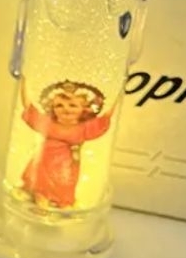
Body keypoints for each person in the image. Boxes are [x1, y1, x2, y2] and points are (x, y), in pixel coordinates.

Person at [20, 78, 115, 208]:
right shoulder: (49, 124)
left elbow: (106, 117)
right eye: (59, 105)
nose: (66, 109)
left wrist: (117, 96)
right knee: (41, 186)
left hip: (67, 165)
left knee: (65, 184)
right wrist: (23, 82)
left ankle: (62, 202)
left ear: (84, 109)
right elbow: (28, 107)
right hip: (44, 162)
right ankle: (40, 197)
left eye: (73, 105)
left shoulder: (83, 128)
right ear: (52, 108)